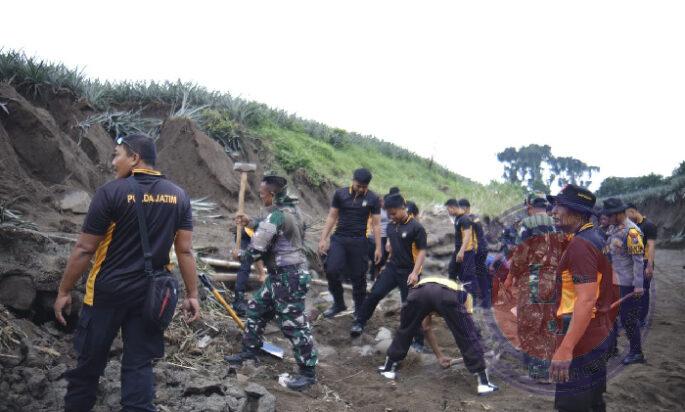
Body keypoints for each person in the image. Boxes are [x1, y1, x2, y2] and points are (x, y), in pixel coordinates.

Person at [54, 134, 200, 411]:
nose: (112, 162)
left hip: (106, 293)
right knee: (139, 366)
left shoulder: (111, 192)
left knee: (88, 366)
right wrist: (192, 294)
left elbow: (85, 249)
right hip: (151, 295)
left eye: (116, 154)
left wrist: (63, 291)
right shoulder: (179, 196)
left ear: (134, 158)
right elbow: (185, 251)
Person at [226, 174, 318, 391]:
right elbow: (270, 226)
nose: (261, 196)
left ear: (273, 194)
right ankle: (251, 350)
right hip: (283, 276)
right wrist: (251, 222)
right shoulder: (292, 211)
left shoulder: (277, 216)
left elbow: (256, 250)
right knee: (256, 309)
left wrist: (240, 255)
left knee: (294, 325)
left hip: (289, 278)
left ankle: (307, 373)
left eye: (263, 194)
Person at [547, 185, 617, 412]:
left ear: (577, 213)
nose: (553, 211)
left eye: (559, 206)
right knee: (594, 402)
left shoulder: (581, 244)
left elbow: (586, 300)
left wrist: (566, 348)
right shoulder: (597, 237)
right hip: (598, 333)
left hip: (581, 340)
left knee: (572, 405)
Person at [377, 276, 499, 396]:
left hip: (419, 291)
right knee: (467, 335)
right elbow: (467, 331)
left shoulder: (442, 284)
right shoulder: (466, 295)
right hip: (445, 295)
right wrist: (478, 352)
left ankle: (388, 369)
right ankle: (483, 383)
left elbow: (426, 327)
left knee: (406, 329)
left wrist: (439, 356)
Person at [505, 191, 565, 382]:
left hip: (533, 277)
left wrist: (511, 276)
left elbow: (520, 255)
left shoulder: (527, 224)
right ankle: (546, 364)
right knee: (548, 322)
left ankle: (538, 370)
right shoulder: (558, 224)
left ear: (529, 206)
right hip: (554, 278)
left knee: (529, 323)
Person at [351, 193, 427, 337]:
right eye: (389, 214)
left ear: (403, 208)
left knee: (411, 305)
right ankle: (359, 322)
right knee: (375, 294)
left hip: (409, 271)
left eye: (394, 213)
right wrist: (386, 264)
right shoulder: (392, 226)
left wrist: (415, 273)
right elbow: (393, 247)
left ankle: (418, 339)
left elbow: (422, 252)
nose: (391, 217)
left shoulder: (416, 228)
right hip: (392, 268)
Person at [318, 168, 382, 318]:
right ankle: (339, 303)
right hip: (339, 238)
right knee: (332, 270)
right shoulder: (340, 194)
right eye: (358, 185)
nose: (360, 189)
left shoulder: (373, 199)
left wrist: (378, 247)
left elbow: (377, 225)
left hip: (359, 241)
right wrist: (323, 238)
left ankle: (359, 309)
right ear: (352, 181)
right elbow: (332, 216)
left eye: (364, 187)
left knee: (359, 276)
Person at [603, 198, 645, 365]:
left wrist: (639, 285)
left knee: (628, 318)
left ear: (618, 214)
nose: (607, 218)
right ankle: (612, 349)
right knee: (611, 316)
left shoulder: (632, 231)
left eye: (609, 215)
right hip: (614, 280)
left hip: (627, 283)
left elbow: (638, 260)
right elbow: (609, 249)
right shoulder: (614, 228)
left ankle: (637, 352)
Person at [625, 203, 657, 325]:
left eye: (627, 215)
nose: (626, 218)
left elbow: (651, 246)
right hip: (634, 263)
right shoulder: (633, 226)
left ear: (632, 211)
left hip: (644, 262)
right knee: (634, 290)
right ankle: (634, 316)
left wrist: (649, 266)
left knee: (643, 290)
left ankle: (642, 319)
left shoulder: (648, 225)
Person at [459, 199, 491, 309]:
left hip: (477, 250)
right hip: (483, 249)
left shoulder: (468, 220)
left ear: (467, 208)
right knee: (481, 275)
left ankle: (472, 302)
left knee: (470, 275)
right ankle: (486, 302)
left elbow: (471, 239)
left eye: (462, 208)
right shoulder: (475, 217)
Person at [445, 199, 478, 299]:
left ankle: (470, 301)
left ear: (453, 207)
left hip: (466, 252)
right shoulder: (458, 218)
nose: (448, 212)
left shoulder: (464, 219)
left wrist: (461, 251)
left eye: (448, 209)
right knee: (452, 270)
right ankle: (452, 295)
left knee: (467, 277)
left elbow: (467, 236)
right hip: (459, 250)